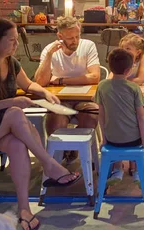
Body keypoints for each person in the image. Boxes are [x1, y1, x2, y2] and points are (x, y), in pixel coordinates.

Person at [0, 19, 80, 230]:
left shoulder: (11, 63)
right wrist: (12, 102)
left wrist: (44, 92)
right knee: (15, 113)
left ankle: (25, 210)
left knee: (18, 146)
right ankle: (49, 164)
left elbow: (28, 84)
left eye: (17, 40)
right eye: (11, 40)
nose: (15, 45)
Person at [34, 16, 101, 154]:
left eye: (77, 36)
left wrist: (61, 80)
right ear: (60, 35)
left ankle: (76, 150)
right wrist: (49, 56)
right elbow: (40, 82)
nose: (75, 41)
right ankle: (61, 156)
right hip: (60, 100)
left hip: (84, 99)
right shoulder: (50, 50)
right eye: (70, 38)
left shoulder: (87, 46)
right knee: (55, 121)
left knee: (92, 115)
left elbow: (95, 77)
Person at [95, 48, 144, 186]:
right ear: (128, 70)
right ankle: (138, 173)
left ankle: (117, 170)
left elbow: (101, 115)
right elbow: (141, 117)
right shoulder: (133, 88)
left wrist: (104, 139)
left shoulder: (102, 86)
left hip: (111, 140)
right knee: (141, 137)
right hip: (133, 140)